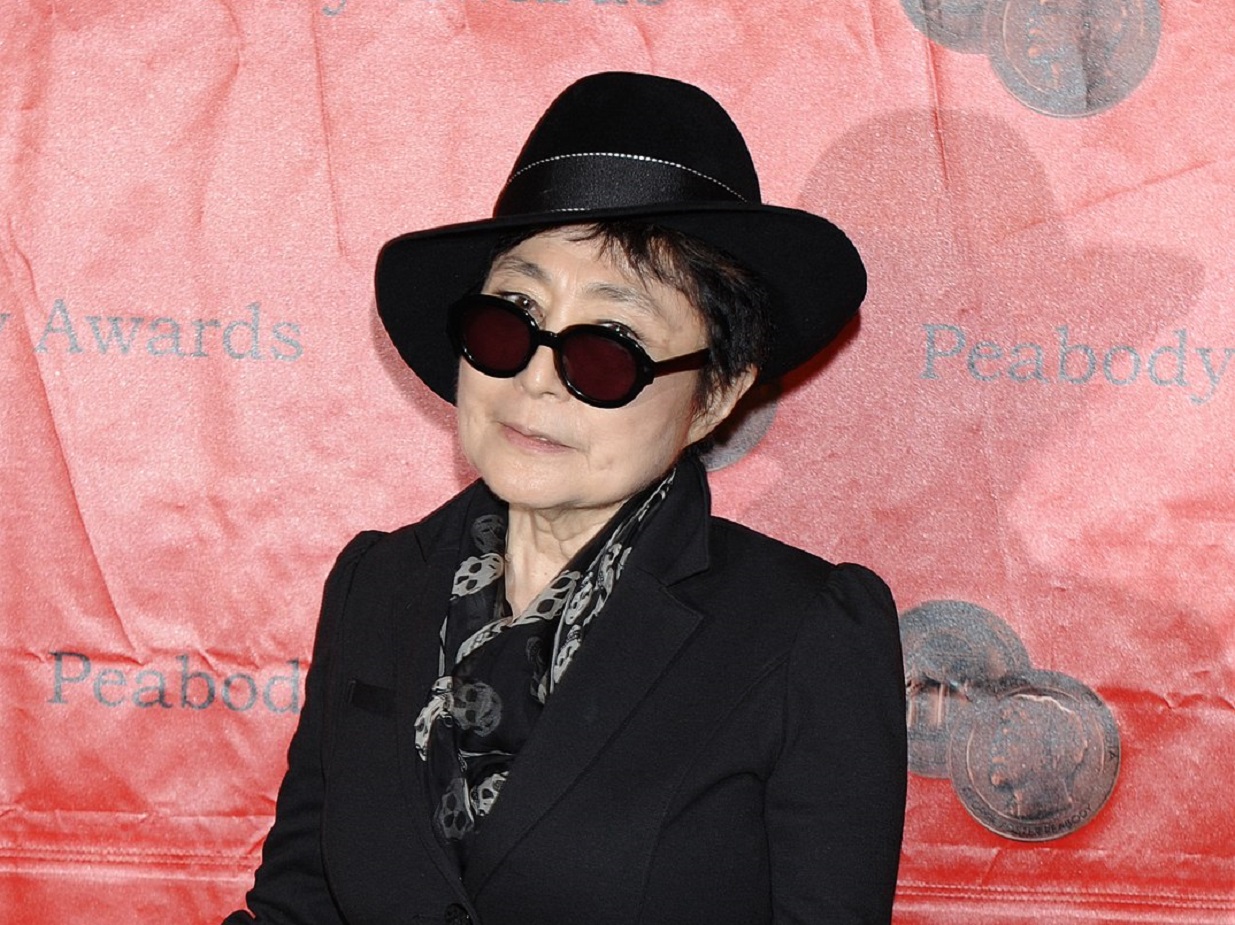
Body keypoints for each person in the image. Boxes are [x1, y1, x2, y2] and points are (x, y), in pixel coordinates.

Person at [225, 71, 906, 925]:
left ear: (718, 390)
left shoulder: (806, 632)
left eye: (605, 350)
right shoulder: (376, 584)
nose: (539, 382)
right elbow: (299, 902)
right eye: (508, 321)